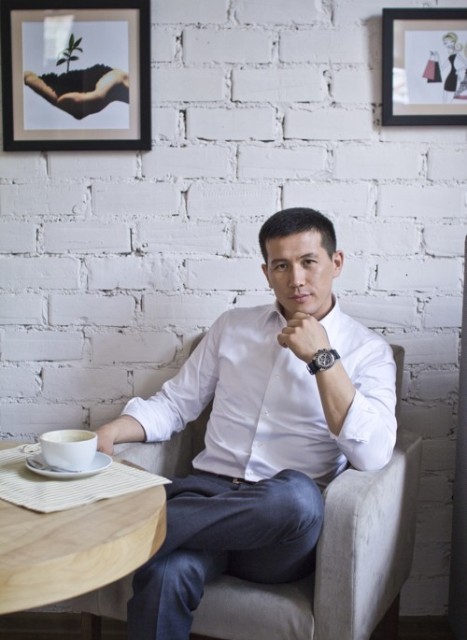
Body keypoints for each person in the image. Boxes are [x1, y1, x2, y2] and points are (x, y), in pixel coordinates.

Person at [96, 207, 397, 640]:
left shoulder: (368, 351)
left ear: (336, 263)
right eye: (281, 265)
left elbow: (373, 455)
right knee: (165, 574)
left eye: (308, 262)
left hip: (280, 531)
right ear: (266, 272)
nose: (296, 279)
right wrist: (112, 431)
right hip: (209, 493)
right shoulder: (232, 326)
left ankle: (138, 525)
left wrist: (322, 358)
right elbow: (176, 405)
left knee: (299, 498)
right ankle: (158, 527)